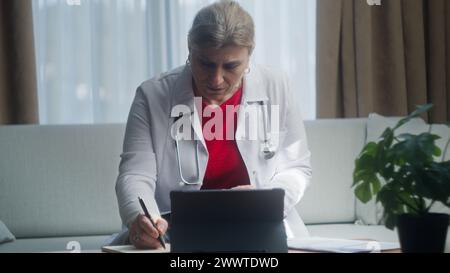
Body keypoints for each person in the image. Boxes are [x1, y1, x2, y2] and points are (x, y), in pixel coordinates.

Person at [111, 0, 312, 249]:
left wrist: (262, 197)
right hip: (174, 229)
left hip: (258, 225)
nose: (216, 79)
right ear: (189, 49)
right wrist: (144, 218)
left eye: (231, 66)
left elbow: (297, 168)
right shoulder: (152, 95)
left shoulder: (277, 86)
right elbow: (135, 174)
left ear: (249, 55)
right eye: (206, 63)